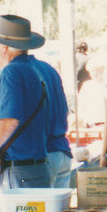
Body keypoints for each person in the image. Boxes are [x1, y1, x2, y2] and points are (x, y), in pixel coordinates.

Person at [0, 15, 50, 192]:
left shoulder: (12, 72)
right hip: (30, 170)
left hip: (19, 174)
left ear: (4, 47)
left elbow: (9, 121)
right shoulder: (31, 70)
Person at [31, 54, 72, 187]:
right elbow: (65, 111)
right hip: (62, 150)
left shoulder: (20, 71)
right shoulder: (49, 69)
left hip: (45, 154)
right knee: (60, 201)